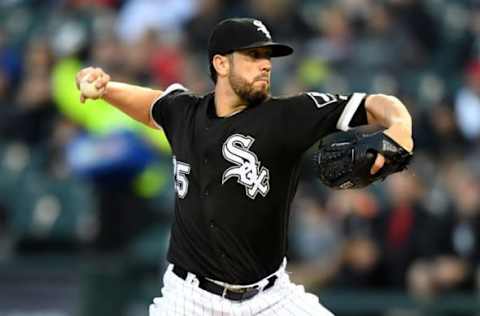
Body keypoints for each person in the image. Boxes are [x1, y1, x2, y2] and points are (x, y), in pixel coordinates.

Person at [75, 17, 413, 316]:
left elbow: (375, 104)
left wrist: (400, 126)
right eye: (253, 55)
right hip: (190, 299)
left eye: (267, 56)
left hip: (270, 298)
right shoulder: (184, 113)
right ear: (221, 64)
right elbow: (151, 105)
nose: (265, 64)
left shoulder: (289, 115)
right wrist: (106, 89)